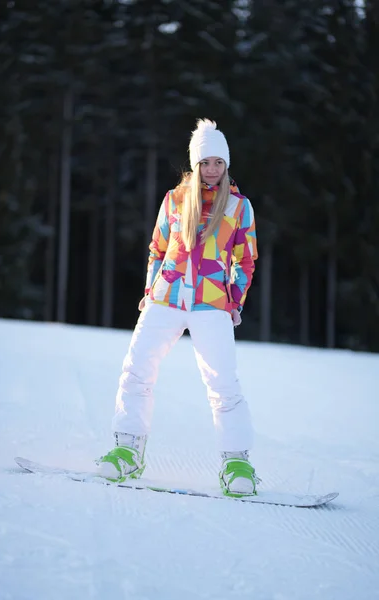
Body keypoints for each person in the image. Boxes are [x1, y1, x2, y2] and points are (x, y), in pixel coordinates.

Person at [97, 118, 259, 497]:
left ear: (226, 164)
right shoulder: (174, 200)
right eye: (206, 162)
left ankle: (236, 463)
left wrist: (234, 301)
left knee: (223, 385)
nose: (213, 169)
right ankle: (127, 450)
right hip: (166, 297)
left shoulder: (238, 207)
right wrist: (150, 288)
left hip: (211, 304)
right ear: (195, 164)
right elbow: (157, 247)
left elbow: (245, 260)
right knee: (136, 371)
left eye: (219, 162)